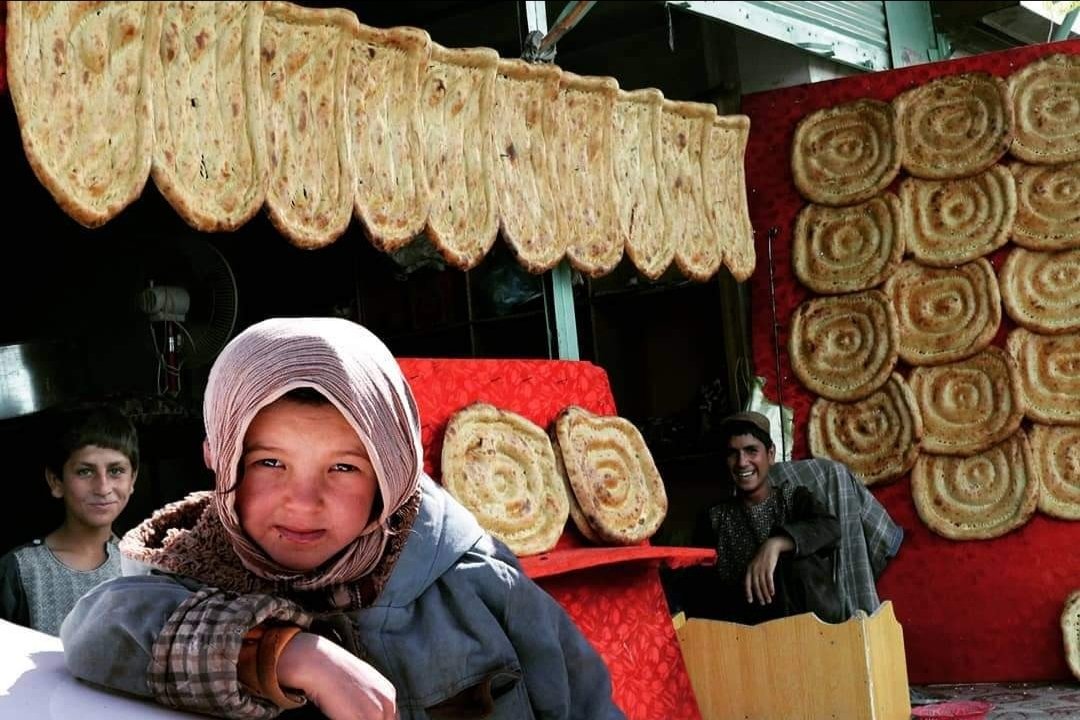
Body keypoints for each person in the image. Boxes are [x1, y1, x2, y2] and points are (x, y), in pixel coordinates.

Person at [61, 317, 624, 720]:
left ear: (392, 472)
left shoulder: (476, 582)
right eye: (270, 463)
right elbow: (99, 632)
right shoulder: (190, 568)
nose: (303, 502)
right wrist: (283, 652)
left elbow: (585, 703)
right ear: (221, 457)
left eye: (344, 468)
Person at [687, 411, 903, 625]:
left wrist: (777, 543)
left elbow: (830, 529)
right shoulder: (714, 520)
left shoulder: (793, 498)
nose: (742, 462)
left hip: (810, 629)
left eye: (751, 451)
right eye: (733, 453)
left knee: (799, 565)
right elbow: (702, 590)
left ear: (770, 455)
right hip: (746, 634)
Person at [0, 403, 139, 635]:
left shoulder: (143, 569)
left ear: (132, 479)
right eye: (85, 471)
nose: (103, 487)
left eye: (116, 471)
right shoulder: (20, 571)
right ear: (56, 482)